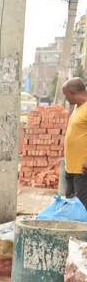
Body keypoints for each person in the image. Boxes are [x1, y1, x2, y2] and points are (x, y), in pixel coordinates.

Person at [62, 78, 87, 210]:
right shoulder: (78, 108)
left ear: (72, 93)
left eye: (65, 95)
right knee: (71, 209)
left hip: (82, 171)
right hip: (71, 168)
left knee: (82, 209)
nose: (66, 98)